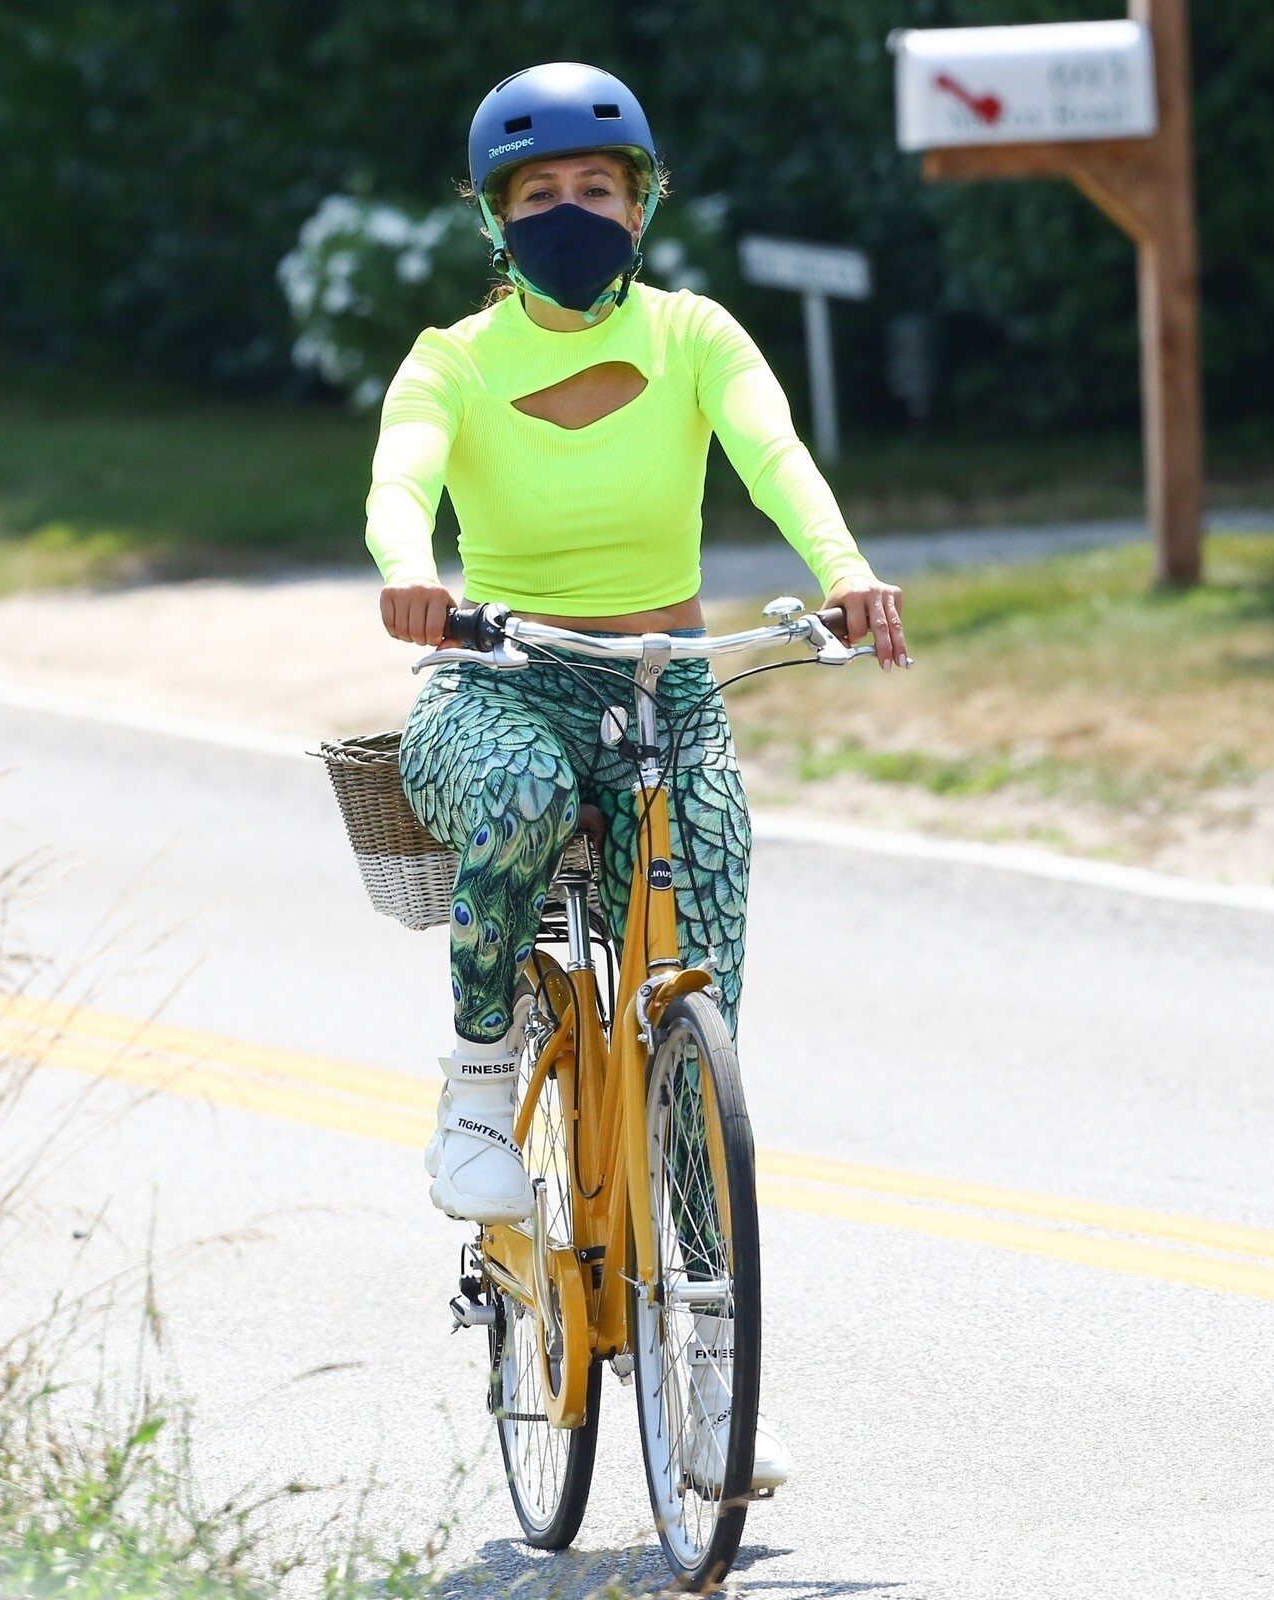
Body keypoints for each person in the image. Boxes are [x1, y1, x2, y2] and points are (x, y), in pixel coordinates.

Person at [366, 61, 910, 1492]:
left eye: (596, 188)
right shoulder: (452, 359)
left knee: (701, 1002)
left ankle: (714, 1377)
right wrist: (411, 569)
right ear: (498, 219)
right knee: (522, 799)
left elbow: (776, 455)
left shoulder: (694, 336)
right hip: (500, 680)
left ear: (641, 203)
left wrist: (845, 572)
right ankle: (479, 1082)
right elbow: (400, 474)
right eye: (538, 193)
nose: (570, 212)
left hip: (668, 688)